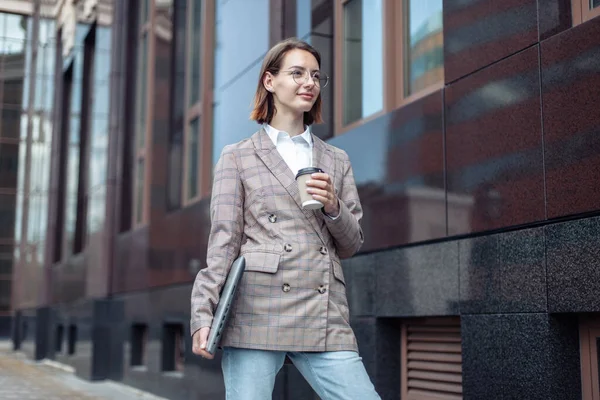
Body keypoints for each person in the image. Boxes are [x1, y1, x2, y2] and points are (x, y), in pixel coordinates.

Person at [190, 38, 380, 400]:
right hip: (257, 310)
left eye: (315, 76)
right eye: (297, 73)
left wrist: (333, 206)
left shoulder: (336, 159)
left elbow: (352, 243)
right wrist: (203, 313)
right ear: (269, 81)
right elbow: (223, 243)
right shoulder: (238, 157)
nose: (309, 82)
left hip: (323, 311)